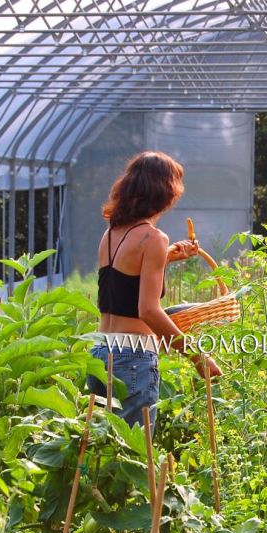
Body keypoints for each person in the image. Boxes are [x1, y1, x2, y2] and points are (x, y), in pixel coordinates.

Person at [86, 151, 223, 428]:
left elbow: (123, 282)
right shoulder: (153, 238)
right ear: (165, 194)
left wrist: (168, 256)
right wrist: (197, 355)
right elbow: (147, 310)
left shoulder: (111, 233)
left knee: (102, 449)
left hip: (101, 352)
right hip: (132, 359)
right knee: (135, 454)